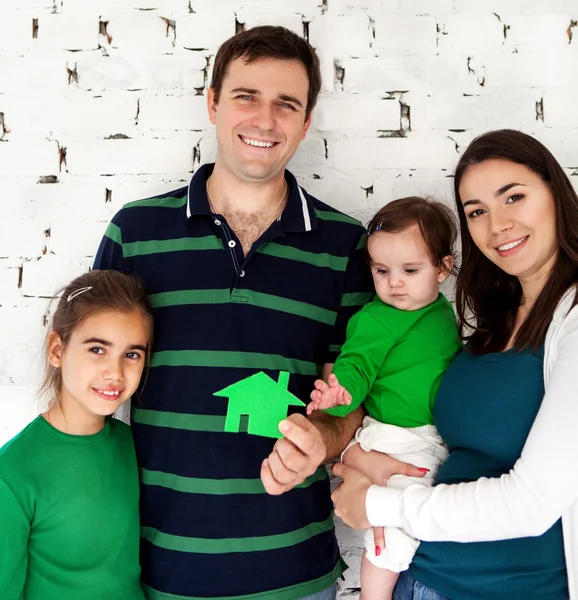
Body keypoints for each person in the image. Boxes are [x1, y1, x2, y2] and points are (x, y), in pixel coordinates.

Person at [94, 25, 422, 600]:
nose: (265, 120)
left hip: (295, 575)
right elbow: (88, 390)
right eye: (246, 96)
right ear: (214, 103)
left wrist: (322, 437)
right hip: (161, 572)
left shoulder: (348, 247)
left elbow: (356, 396)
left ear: (305, 121)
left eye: (286, 104)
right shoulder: (136, 234)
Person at [331, 129, 578, 600]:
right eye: (477, 212)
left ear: (556, 194)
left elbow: (531, 503)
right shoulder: (490, 323)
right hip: (416, 578)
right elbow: (432, 436)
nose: (498, 223)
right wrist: (358, 458)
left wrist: (379, 504)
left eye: (514, 197)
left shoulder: (573, 322)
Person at [307, 197, 461, 600]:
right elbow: (356, 365)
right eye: (381, 270)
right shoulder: (377, 318)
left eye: (410, 270)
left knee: (418, 518)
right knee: (396, 533)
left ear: (443, 269)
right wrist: (340, 393)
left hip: (426, 435)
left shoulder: (441, 311)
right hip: (397, 435)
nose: (395, 283)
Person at [0, 270, 153, 600]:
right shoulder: (12, 473)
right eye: (97, 349)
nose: (115, 373)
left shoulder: (134, 446)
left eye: (132, 354)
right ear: (57, 349)